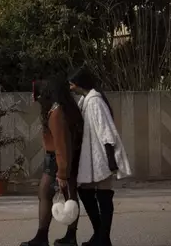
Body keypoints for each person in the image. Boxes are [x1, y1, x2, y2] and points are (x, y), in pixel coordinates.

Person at [69, 67, 131, 246]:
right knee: (86, 191)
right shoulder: (86, 100)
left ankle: (102, 238)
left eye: (72, 84)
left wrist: (111, 159)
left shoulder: (95, 102)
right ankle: (101, 235)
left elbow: (106, 130)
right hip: (92, 157)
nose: (71, 87)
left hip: (102, 156)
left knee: (103, 196)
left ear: (80, 84)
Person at [22, 79, 84, 246]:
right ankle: (69, 237)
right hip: (63, 157)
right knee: (69, 195)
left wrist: (62, 172)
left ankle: (43, 237)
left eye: (39, 94)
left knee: (45, 193)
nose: (37, 98)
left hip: (57, 159)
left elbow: (61, 144)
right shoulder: (65, 108)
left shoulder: (56, 112)